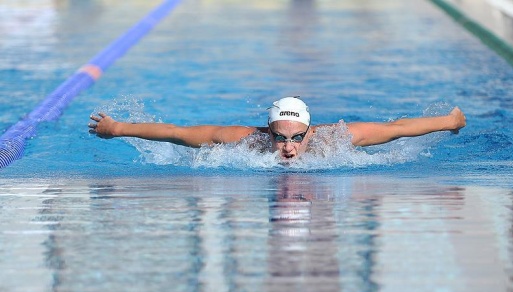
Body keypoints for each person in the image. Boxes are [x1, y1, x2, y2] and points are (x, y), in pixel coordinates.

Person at [89, 96, 466, 160]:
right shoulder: (247, 142)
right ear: (267, 133)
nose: (288, 148)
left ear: (309, 132)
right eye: (280, 138)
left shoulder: (334, 140)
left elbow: (398, 128)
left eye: (297, 138)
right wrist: (118, 128)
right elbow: (176, 132)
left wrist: (451, 122)